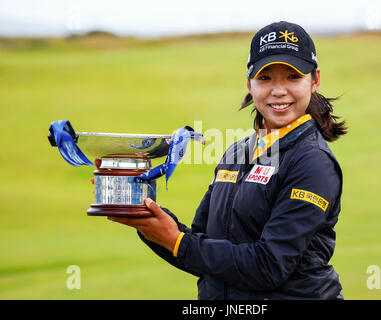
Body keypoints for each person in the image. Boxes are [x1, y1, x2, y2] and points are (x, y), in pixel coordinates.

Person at [108, 21, 347, 300]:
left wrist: (177, 241)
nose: (278, 90)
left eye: (293, 77)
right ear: (249, 83)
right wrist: (148, 218)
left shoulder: (312, 162)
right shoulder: (237, 152)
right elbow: (201, 249)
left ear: (315, 80)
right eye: (265, 77)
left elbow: (268, 266)